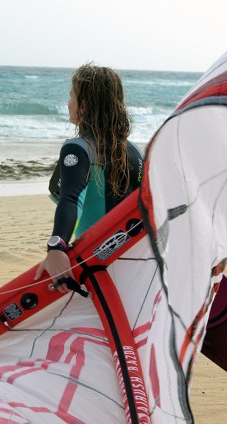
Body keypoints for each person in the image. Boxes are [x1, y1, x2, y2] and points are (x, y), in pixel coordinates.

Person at [34, 63, 144, 288]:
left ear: (84, 104)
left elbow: (71, 199)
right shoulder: (134, 150)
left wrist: (56, 248)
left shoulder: (77, 148)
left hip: (95, 260)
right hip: (135, 257)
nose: (68, 103)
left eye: (71, 95)